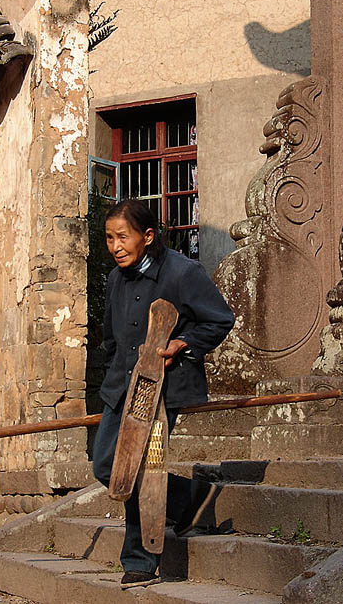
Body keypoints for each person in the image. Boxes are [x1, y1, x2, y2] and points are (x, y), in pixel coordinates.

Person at [92, 198, 235, 587]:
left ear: (148, 236)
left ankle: (140, 560)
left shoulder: (182, 272)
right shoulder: (115, 279)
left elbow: (220, 320)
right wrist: (112, 379)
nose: (116, 246)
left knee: (141, 469)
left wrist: (182, 344)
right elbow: (110, 338)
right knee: (107, 466)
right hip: (122, 389)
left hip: (162, 390)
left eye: (123, 237)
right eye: (109, 238)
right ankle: (191, 500)